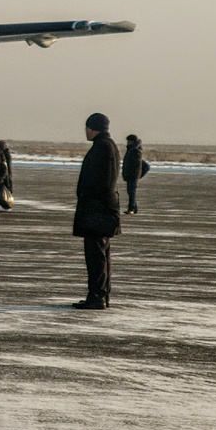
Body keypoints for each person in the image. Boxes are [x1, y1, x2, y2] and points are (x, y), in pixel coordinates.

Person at [72, 112, 121, 310]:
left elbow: (102, 181)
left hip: (98, 210)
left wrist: (89, 198)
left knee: (96, 255)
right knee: (100, 254)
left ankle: (98, 295)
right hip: (100, 208)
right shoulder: (106, 145)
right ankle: (100, 294)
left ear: (94, 128)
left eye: (88, 127)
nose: (86, 131)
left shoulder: (103, 147)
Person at [122, 134, 145, 214]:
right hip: (130, 175)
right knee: (130, 191)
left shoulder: (135, 151)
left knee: (131, 192)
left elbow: (140, 164)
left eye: (129, 141)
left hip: (132, 175)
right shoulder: (131, 150)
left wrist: (137, 174)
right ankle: (134, 208)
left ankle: (131, 209)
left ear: (132, 142)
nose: (127, 142)